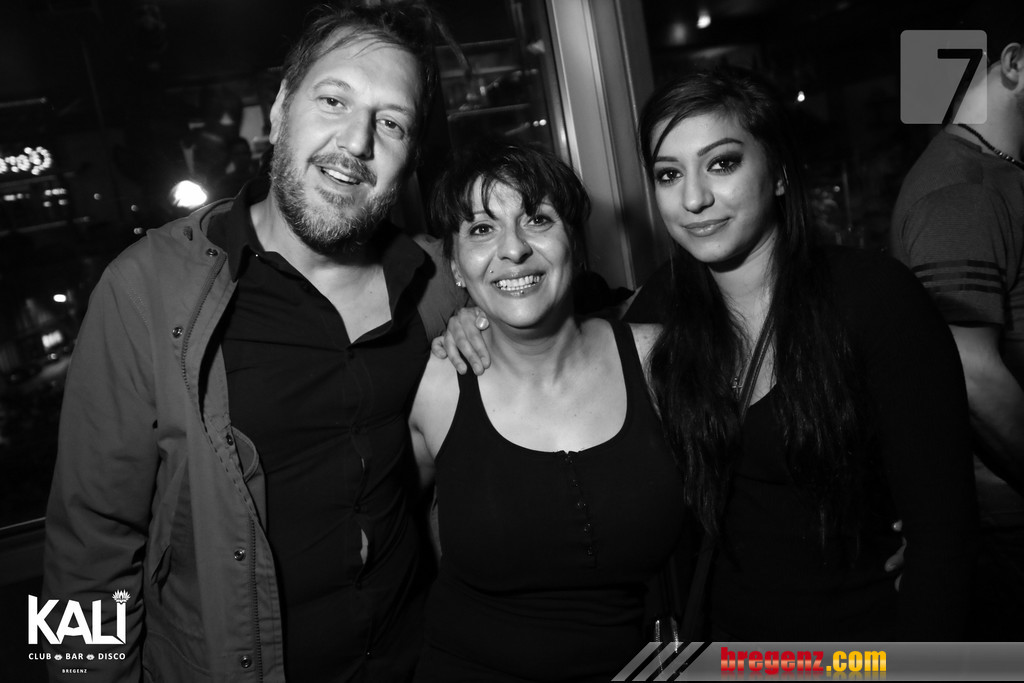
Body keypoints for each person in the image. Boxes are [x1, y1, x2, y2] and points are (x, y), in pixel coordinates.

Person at [440, 66, 976, 640]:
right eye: (669, 174)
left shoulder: (874, 300)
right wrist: (477, 319)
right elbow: (565, 352)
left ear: (778, 171)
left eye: (722, 163)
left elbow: (946, 539)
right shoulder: (660, 311)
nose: (694, 198)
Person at [42, 3, 462, 681]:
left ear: (409, 156)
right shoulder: (145, 290)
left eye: (391, 122)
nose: (356, 142)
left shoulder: (437, 282)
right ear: (280, 109)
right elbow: (85, 547)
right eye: (333, 100)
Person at [409, 143, 687, 681]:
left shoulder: (659, 362)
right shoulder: (435, 387)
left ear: (575, 245)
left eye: (537, 219)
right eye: (482, 229)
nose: (513, 248)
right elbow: (381, 530)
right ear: (456, 267)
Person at [890, 6, 1024, 640]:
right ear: (1015, 65)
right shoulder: (962, 190)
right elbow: (969, 372)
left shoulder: (995, 175)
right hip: (1007, 528)